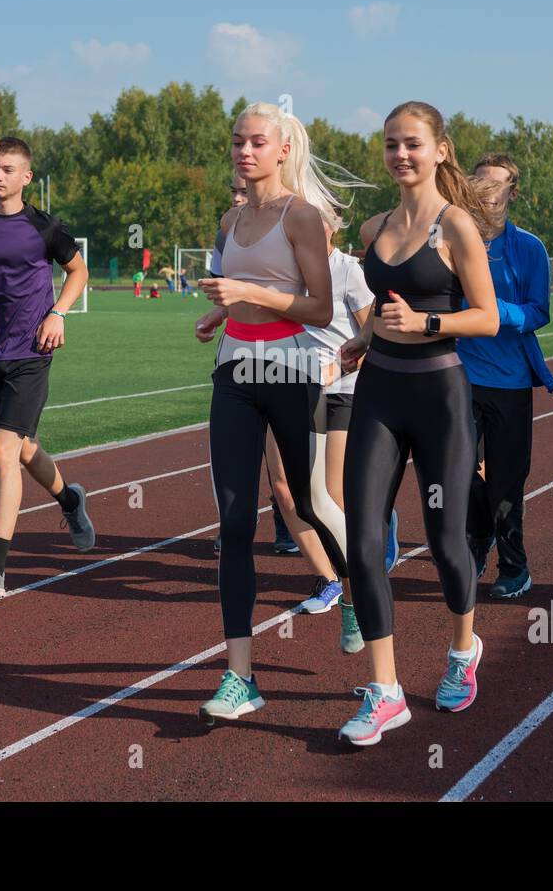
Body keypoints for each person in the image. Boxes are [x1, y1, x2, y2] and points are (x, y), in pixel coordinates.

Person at [193, 101, 366, 725]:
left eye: (256, 141)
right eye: (237, 140)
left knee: (315, 502)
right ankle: (240, 675)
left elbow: (319, 308)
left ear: (283, 149)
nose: (243, 150)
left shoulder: (303, 216)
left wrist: (247, 293)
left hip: (293, 371)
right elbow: (245, 293)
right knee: (235, 522)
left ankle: (356, 594)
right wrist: (223, 312)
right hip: (237, 371)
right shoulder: (231, 217)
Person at [335, 101, 499, 746]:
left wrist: (427, 324)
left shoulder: (454, 225)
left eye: (412, 144)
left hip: (441, 396)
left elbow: (486, 316)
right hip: (378, 391)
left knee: (446, 540)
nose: (400, 155)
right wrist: (365, 335)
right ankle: (386, 691)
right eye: (391, 145)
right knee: (363, 540)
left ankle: (463, 648)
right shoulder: (375, 225)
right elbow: (382, 303)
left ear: (440, 150)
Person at [0, 136, 95, 599]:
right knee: (25, 449)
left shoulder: (45, 227)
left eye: (8, 169)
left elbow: (79, 271)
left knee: (3, 450)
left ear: (26, 177)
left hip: (32, 351)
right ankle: (70, 499)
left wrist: (58, 313)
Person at [262, 216, 399, 655]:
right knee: (286, 492)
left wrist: (339, 367)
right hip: (286, 388)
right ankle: (330, 579)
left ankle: (357, 590)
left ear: (332, 226)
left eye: (315, 219)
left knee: (328, 496)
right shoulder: (283, 270)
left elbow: (371, 334)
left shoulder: (348, 270)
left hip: (340, 390)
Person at [459, 155, 553, 601]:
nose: (486, 193)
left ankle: (514, 567)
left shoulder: (530, 249)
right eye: (479, 184)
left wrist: (491, 315)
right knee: (455, 471)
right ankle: (479, 535)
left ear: (512, 193)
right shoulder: (454, 241)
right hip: (458, 376)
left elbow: (539, 311)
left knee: (505, 483)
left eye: (495, 185)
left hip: (511, 381)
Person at [204, 172, 298, 558]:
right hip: (237, 352)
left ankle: (290, 523)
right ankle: (235, 525)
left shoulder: (291, 221)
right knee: (235, 450)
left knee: (285, 462)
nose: (241, 198)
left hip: (286, 354)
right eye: (236, 192)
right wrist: (217, 314)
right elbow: (220, 286)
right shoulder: (226, 230)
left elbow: (313, 301)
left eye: (247, 191)